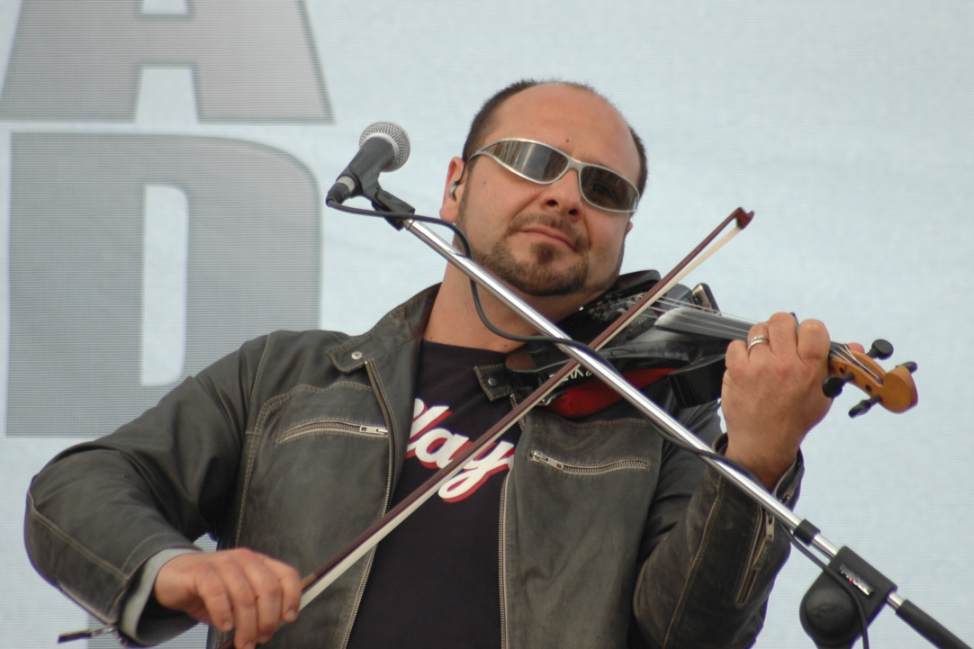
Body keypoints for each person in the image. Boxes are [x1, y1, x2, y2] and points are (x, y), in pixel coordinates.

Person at [26, 80, 834, 649]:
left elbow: (691, 634)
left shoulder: (658, 418)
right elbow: (77, 488)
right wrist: (173, 567)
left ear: (624, 235)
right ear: (454, 186)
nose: (565, 196)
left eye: (604, 188)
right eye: (532, 160)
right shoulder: (285, 378)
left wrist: (756, 465)